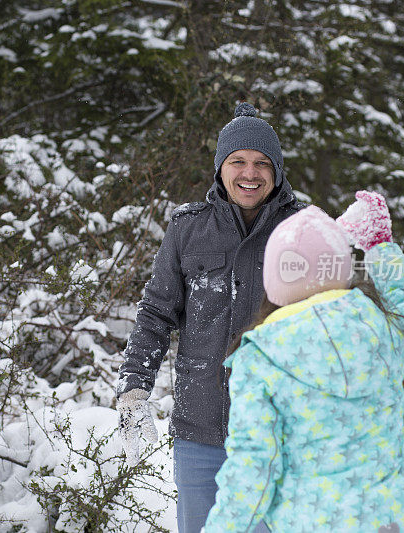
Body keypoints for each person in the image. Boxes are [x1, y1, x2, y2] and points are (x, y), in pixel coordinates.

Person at [116, 102, 305, 533]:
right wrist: (134, 389)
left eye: (261, 163)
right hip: (199, 432)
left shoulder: (302, 231)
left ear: (276, 170)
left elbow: (333, 325)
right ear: (220, 168)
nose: (249, 174)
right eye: (237, 161)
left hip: (276, 437)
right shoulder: (188, 228)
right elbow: (156, 312)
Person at [204, 192, 404, 533]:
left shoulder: (262, 358)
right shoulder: (378, 330)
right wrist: (379, 245)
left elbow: (254, 466)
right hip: (395, 520)